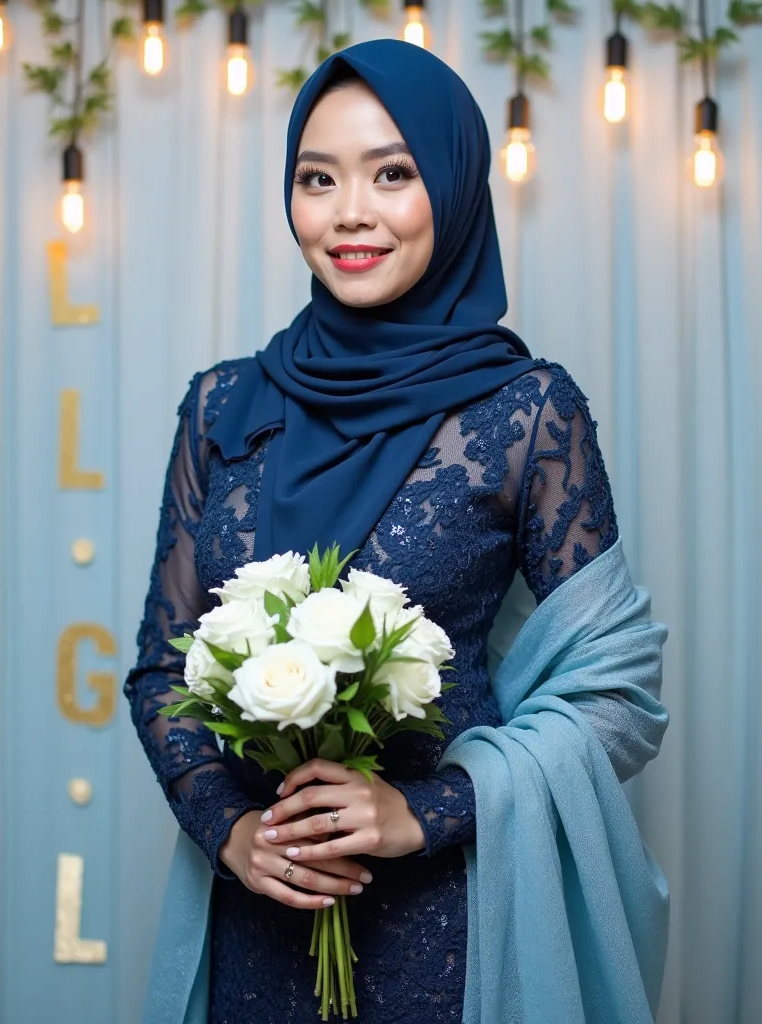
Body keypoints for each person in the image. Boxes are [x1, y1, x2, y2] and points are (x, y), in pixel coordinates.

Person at [125, 39, 667, 1024]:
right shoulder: (221, 407)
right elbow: (163, 666)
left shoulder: (527, 413)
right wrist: (231, 829)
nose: (350, 214)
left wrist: (427, 809)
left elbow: (618, 696)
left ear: (453, 187)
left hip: (445, 931)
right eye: (316, 179)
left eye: (393, 172)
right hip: (258, 922)